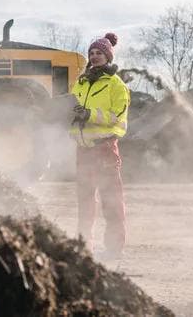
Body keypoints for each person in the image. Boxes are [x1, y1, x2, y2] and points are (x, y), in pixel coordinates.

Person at [70, 32, 130, 260]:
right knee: (84, 203)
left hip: (104, 149)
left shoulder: (117, 85)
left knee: (111, 201)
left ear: (108, 56)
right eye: (92, 53)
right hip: (83, 150)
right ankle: (83, 248)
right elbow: (72, 110)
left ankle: (114, 249)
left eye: (99, 53)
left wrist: (89, 114)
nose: (94, 57)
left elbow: (118, 118)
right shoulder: (81, 82)